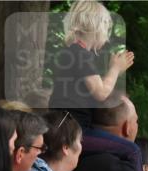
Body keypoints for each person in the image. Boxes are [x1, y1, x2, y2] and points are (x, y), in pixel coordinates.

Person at [47, 0, 134, 129]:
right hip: (72, 130)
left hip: (65, 125)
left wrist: (115, 71)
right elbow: (101, 93)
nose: (107, 37)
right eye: (106, 29)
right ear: (96, 27)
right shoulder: (81, 54)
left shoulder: (73, 52)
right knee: (127, 149)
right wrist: (115, 69)